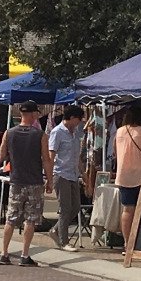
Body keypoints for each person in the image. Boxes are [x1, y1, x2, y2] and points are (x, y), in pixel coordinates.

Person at [0, 101, 48, 265]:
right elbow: (46, 160)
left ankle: (4, 253)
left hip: (16, 181)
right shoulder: (40, 135)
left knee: (10, 219)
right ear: (33, 115)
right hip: (34, 181)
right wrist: (50, 180)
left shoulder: (9, 133)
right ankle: (25, 255)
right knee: (30, 219)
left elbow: (1, 155)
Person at [48, 104, 86, 250]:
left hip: (73, 174)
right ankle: (64, 241)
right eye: (78, 119)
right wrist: (50, 177)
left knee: (75, 207)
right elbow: (51, 155)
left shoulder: (75, 133)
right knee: (65, 207)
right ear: (71, 118)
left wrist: (84, 175)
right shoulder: (57, 132)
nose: (80, 122)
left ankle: (56, 230)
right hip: (61, 173)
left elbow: (78, 157)